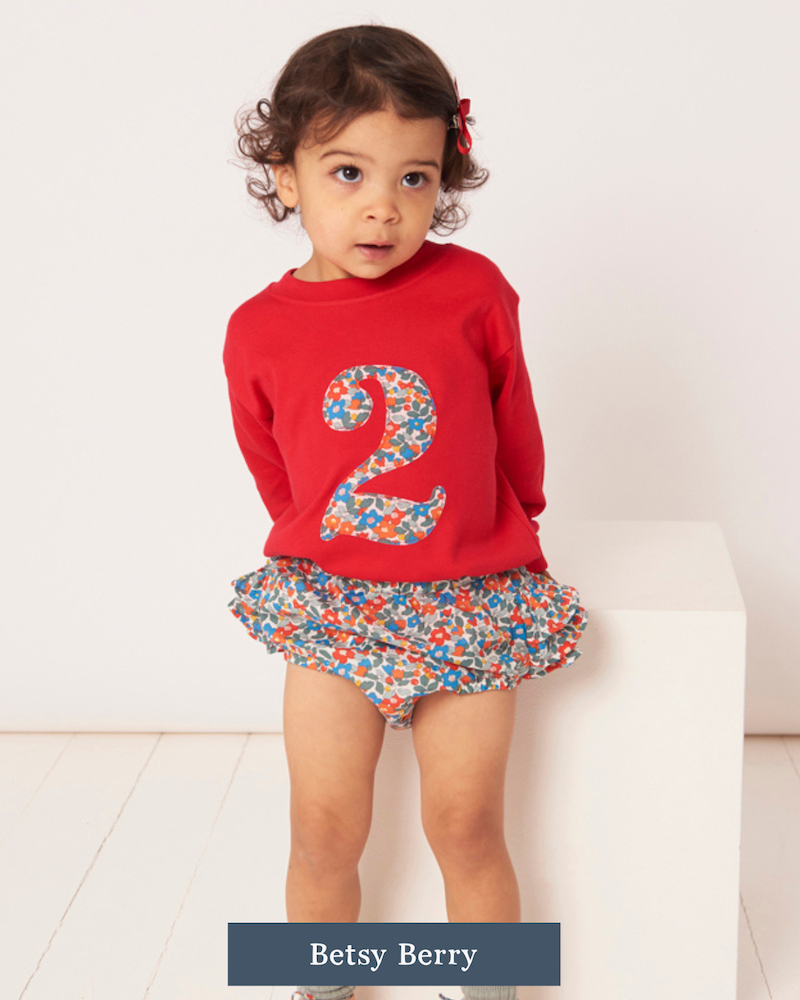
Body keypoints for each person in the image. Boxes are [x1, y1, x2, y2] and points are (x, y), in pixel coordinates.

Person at [224, 24, 588, 1000]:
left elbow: (514, 426)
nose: (382, 206)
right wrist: (322, 547)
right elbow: (273, 464)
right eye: (347, 172)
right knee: (323, 823)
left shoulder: (472, 291)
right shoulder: (257, 329)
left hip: (468, 596)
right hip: (334, 606)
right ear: (286, 173)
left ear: (444, 180)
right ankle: (322, 982)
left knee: (465, 822)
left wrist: (508, 534)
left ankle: (491, 986)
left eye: (415, 179)